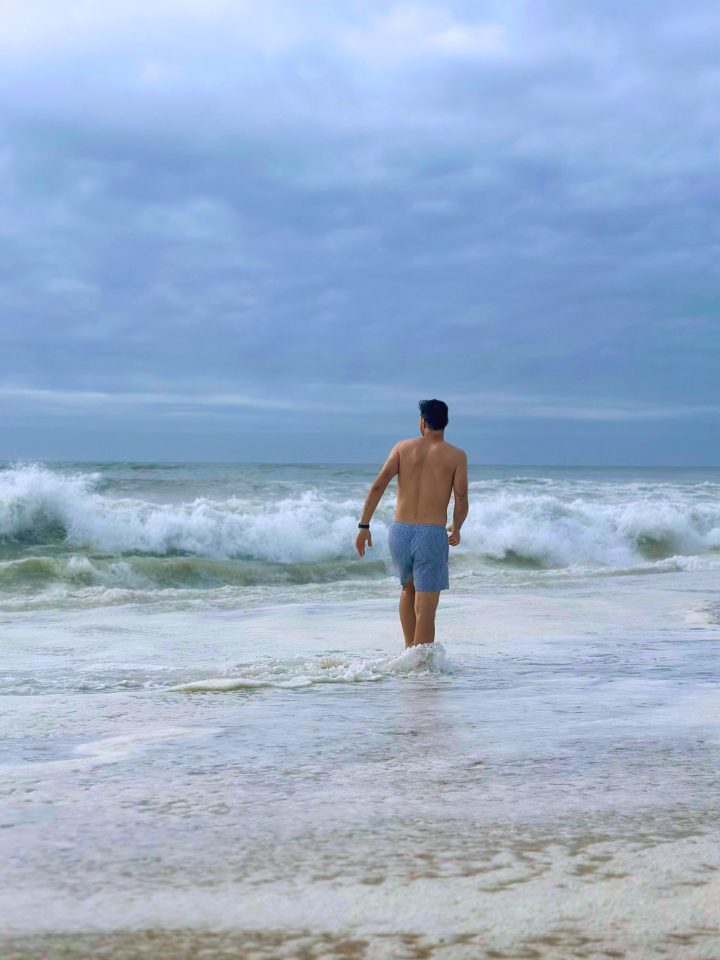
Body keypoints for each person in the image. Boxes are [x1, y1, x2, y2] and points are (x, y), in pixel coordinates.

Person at [355, 399, 469, 647]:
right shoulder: (456, 456)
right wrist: (457, 526)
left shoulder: (402, 448)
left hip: (400, 532)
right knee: (426, 608)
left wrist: (364, 526)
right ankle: (421, 664)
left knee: (408, 589)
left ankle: (410, 652)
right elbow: (461, 498)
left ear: (422, 422)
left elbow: (378, 485)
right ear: (446, 422)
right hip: (430, 534)